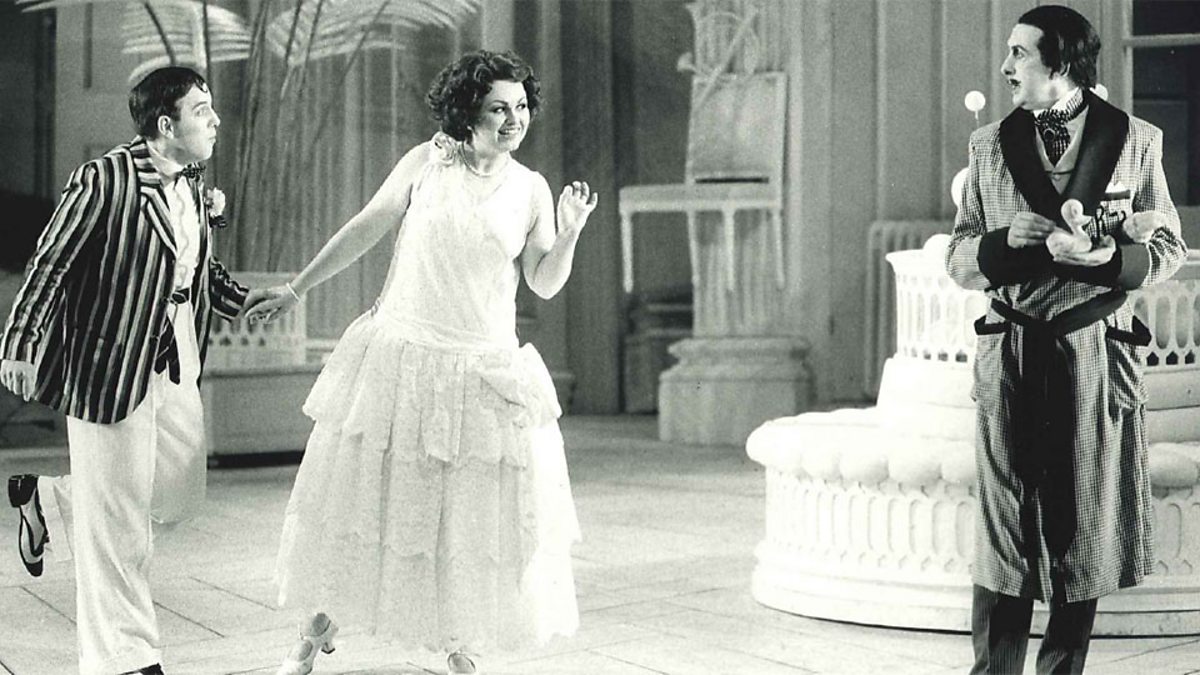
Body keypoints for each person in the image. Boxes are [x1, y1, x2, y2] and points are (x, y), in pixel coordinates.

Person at [247, 50, 594, 675]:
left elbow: (543, 282)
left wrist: (568, 231)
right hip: (402, 358)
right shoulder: (425, 164)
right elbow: (364, 228)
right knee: (367, 506)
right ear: (468, 111)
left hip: (480, 371)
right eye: (498, 108)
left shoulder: (531, 189)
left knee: (466, 519)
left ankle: (461, 643)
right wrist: (296, 289)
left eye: (521, 107)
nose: (513, 120)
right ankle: (319, 624)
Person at [945, 5, 1187, 673]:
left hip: (1092, 350)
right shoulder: (988, 145)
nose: (1005, 66)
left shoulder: (1135, 140)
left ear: (1061, 62)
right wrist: (1002, 244)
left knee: (1082, 523)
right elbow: (959, 256)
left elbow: (1168, 246)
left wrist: (1108, 259)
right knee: (1004, 523)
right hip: (1012, 347)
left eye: (1019, 53)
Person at [0, 67, 261, 674]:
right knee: (117, 522)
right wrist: (19, 344)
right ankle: (124, 657)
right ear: (165, 125)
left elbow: (191, 267)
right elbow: (50, 264)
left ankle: (48, 500)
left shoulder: (191, 180)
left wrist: (244, 301)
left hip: (176, 350)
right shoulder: (105, 179)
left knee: (176, 496)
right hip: (108, 358)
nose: (215, 120)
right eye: (202, 110)